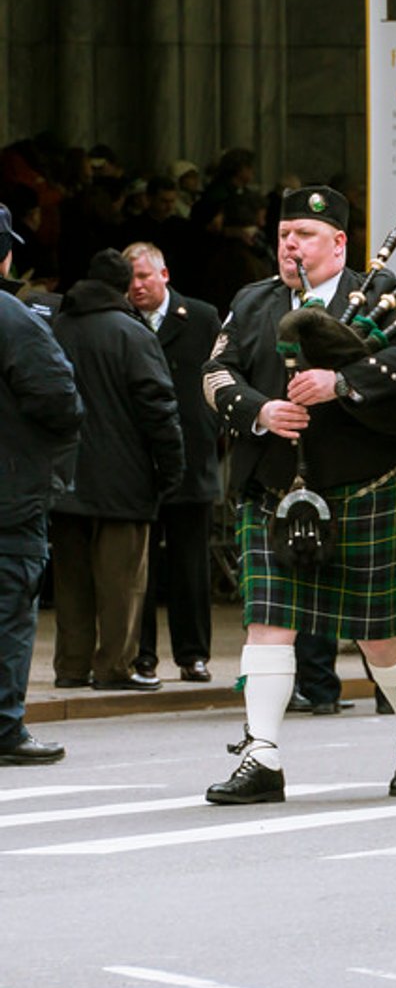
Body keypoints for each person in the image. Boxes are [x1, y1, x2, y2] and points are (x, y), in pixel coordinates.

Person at [201, 185, 396, 805]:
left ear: (339, 243)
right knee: (268, 625)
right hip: (277, 493)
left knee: (380, 635)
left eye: (304, 235)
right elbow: (216, 372)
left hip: (363, 489)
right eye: (284, 235)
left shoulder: (379, 295)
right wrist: (260, 411)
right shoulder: (253, 302)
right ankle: (261, 755)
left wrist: (342, 382)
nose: (290, 244)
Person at [48, 250, 184, 693]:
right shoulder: (133, 333)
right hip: (125, 479)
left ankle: (71, 664)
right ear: (125, 286)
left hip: (65, 476)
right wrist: (171, 468)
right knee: (122, 583)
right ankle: (115, 666)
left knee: (71, 580)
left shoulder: (57, 328)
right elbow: (158, 408)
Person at [0, 205, 81, 763]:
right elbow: (60, 401)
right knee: (9, 610)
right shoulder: (13, 317)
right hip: (9, 496)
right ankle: (5, 725)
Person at [125, 244, 219, 682]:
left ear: (164, 273)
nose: (137, 286)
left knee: (190, 564)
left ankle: (193, 653)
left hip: (192, 455)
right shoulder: (121, 320)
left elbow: (222, 378)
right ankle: (141, 654)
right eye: (130, 279)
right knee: (137, 566)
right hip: (137, 461)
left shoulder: (199, 318)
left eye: (144, 276)